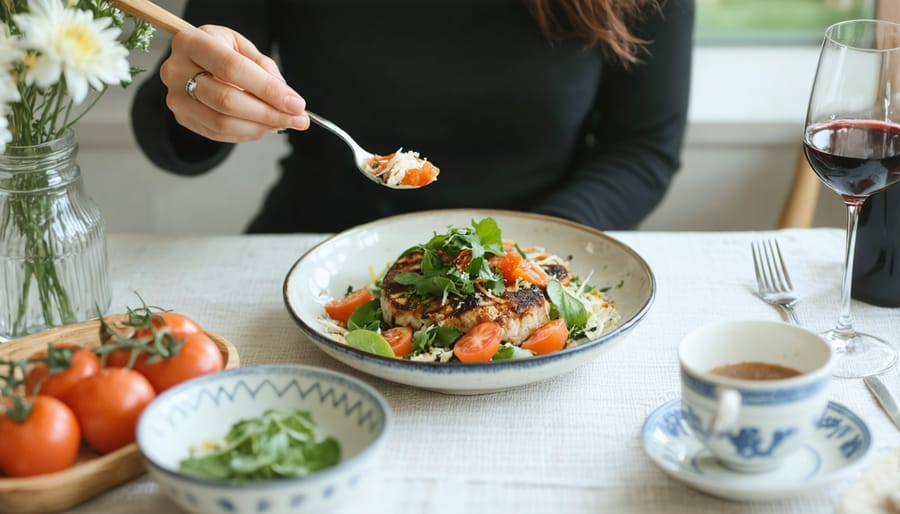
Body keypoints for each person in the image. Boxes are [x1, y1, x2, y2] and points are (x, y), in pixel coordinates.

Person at [130, 0, 694, 234]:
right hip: (313, 247)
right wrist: (197, 99)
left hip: (539, 254)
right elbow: (173, 106)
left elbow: (643, 146)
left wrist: (531, 248)